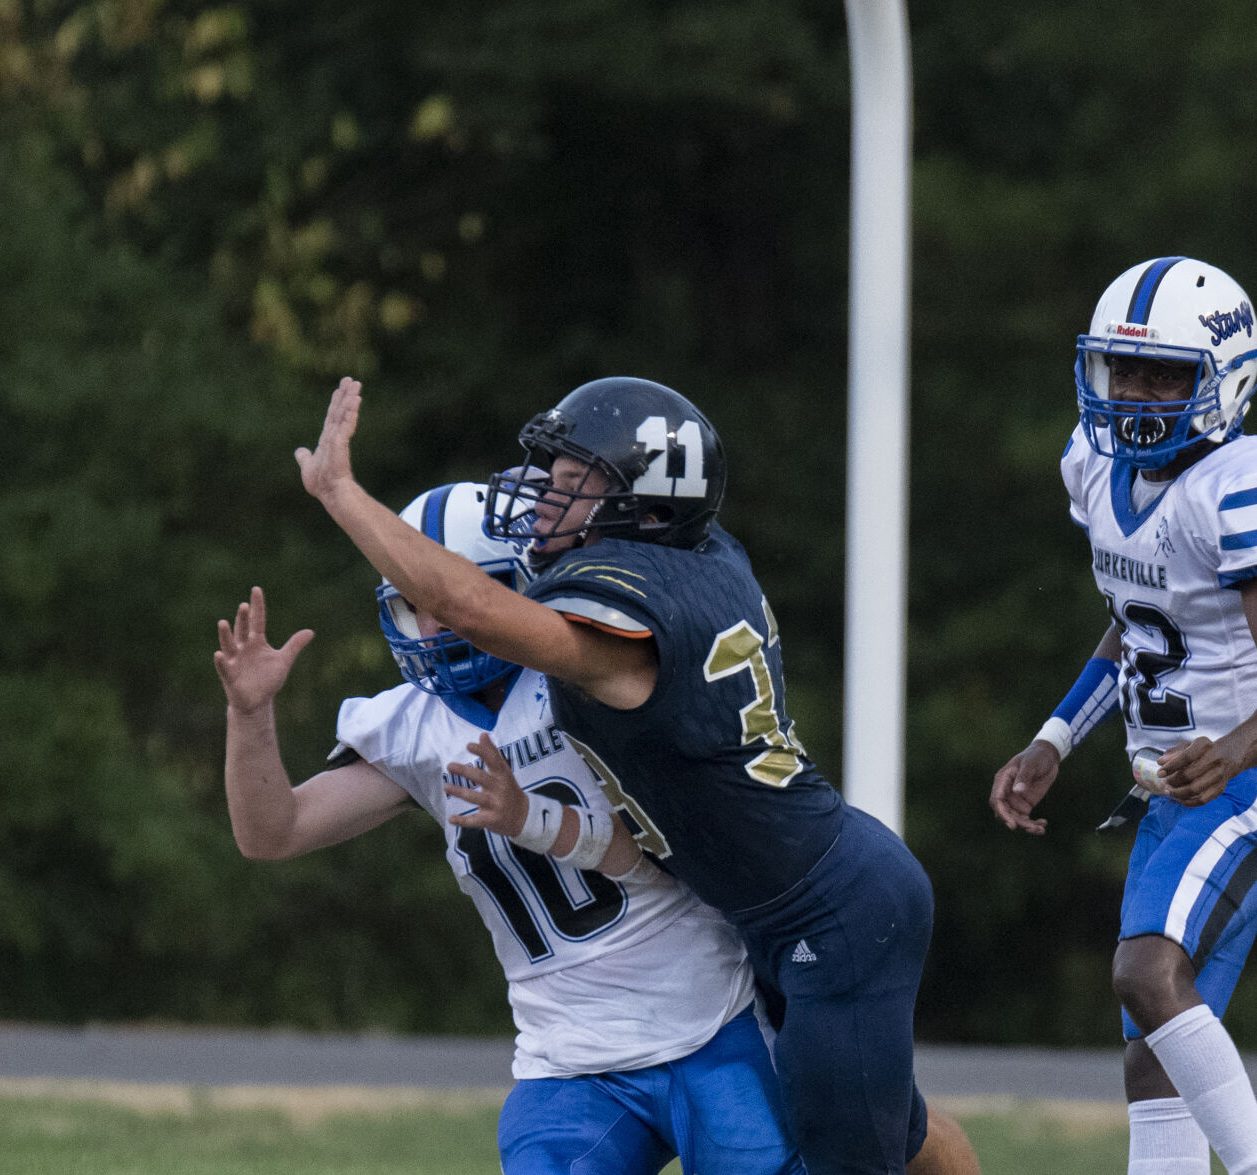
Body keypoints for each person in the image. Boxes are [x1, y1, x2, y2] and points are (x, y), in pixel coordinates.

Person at [294, 377, 979, 1175]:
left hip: (830, 914)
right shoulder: (696, 551)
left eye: (569, 486)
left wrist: (343, 494)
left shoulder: (628, 630)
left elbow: (474, 609)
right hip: (780, 903)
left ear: (646, 507)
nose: (542, 501)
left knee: (850, 1160)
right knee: (887, 1124)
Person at [216, 480, 806, 1175]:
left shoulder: (594, 678)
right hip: (570, 1062)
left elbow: (662, 852)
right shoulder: (411, 728)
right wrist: (250, 713)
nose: (434, 625)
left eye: (452, 598)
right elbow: (273, 832)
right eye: (415, 605)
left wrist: (533, 818)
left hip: (713, 1019)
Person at [990, 255, 1257, 1175]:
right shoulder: (1094, 470)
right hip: (1171, 788)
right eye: (1124, 370)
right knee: (1152, 1050)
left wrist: (1231, 750)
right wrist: (1053, 736)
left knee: (1144, 974)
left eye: (1165, 375)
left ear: (1224, 381)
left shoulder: (1233, 484)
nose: (1137, 395)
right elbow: (1140, 630)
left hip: (1243, 781)